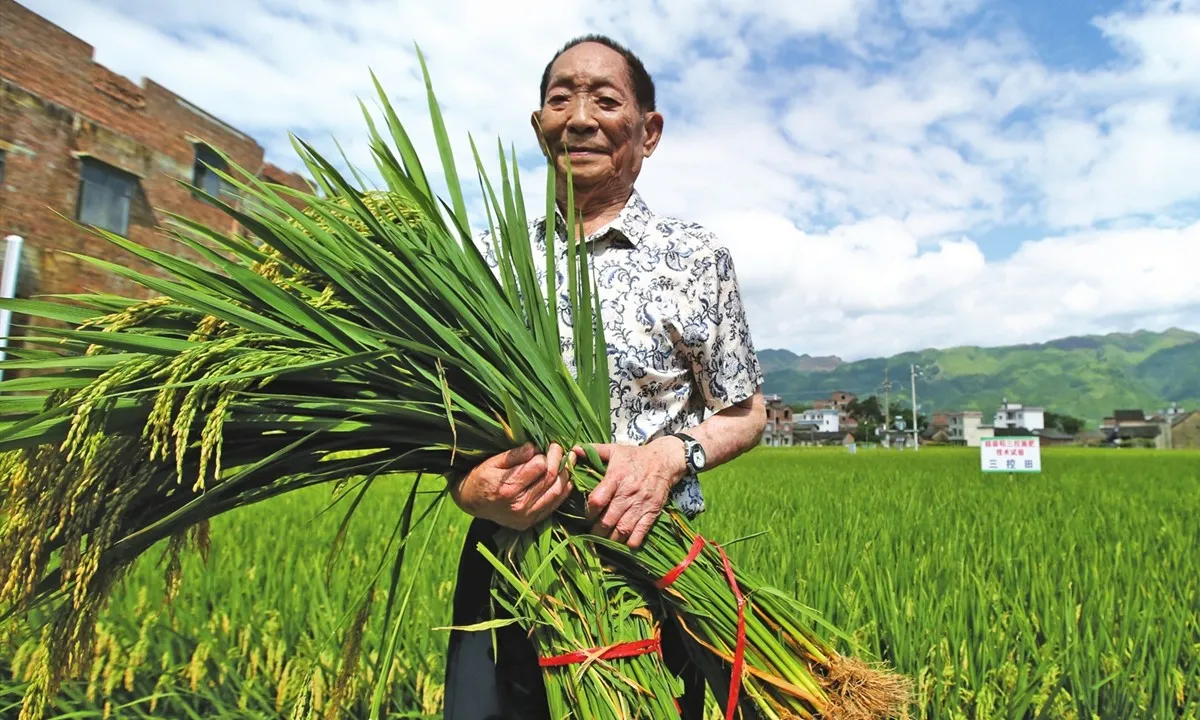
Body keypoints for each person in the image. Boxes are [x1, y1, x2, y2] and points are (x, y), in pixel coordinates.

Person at [443, 34, 767, 720]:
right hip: (509, 566)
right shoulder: (488, 265)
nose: (580, 117)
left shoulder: (696, 257)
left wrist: (667, 457)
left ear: (648, 132)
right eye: (560, 99)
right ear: (539, 127)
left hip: (650, 560)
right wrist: (471, 489)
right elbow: (443, 422)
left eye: (605, 99)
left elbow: (744, 411)